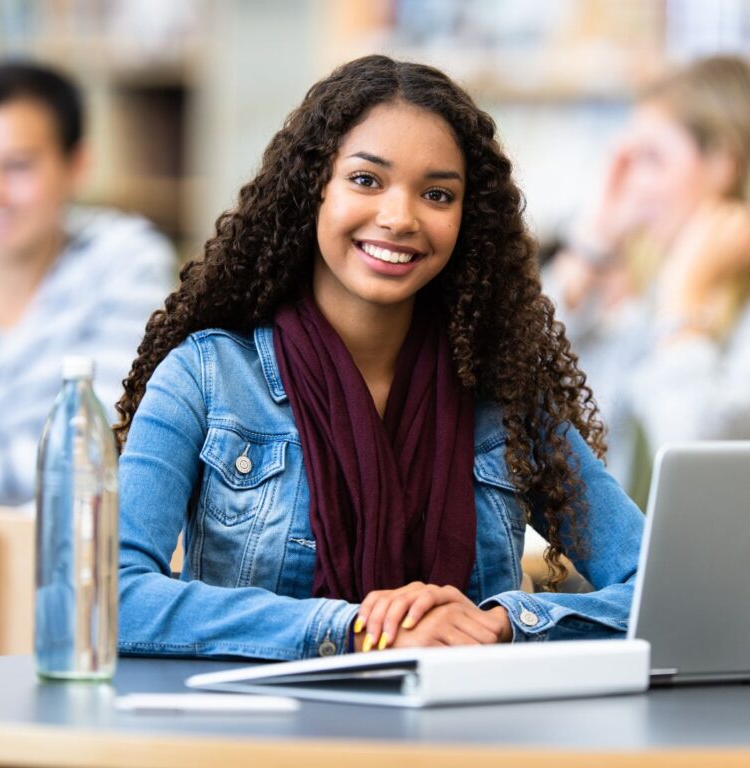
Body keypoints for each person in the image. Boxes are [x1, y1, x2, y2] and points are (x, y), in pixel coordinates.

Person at [115, 55, 643, 660]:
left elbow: (657, 584)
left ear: (467, 218)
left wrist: (501, 624)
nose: (399, 218)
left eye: (437, 194)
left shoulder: (505, 393)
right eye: (366, 180)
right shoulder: (205, 378)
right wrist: (351, 629)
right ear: (312, 188)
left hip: (461, 739)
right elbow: (114, 597)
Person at [546, 56, 750, 498]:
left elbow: (706, 483)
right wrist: (591, 243)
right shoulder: (652, 299)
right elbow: (533, 395)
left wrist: (684, 299)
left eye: (652, 160)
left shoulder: (688, 300)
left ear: (722, 164)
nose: (634, 185)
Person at [0, 60, 176, 505]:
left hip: (65, 551)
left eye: (17, 166)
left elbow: (94, 443)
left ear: (76, 165)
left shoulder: (123, 260)